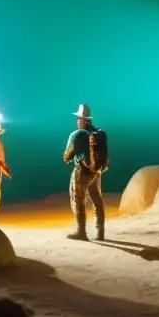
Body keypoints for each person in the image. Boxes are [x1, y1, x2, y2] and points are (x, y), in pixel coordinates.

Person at [63, 103, 106, 241]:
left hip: (82, 172)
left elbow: (67, 155)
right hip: (95, 172)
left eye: (79, 118)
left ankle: (81, 232)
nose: (77, 121)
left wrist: (69, 157)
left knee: (78, 199)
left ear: (85, 120)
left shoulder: (78, 134)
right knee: (96, 198)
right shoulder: (98, 133)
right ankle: (100, 232)